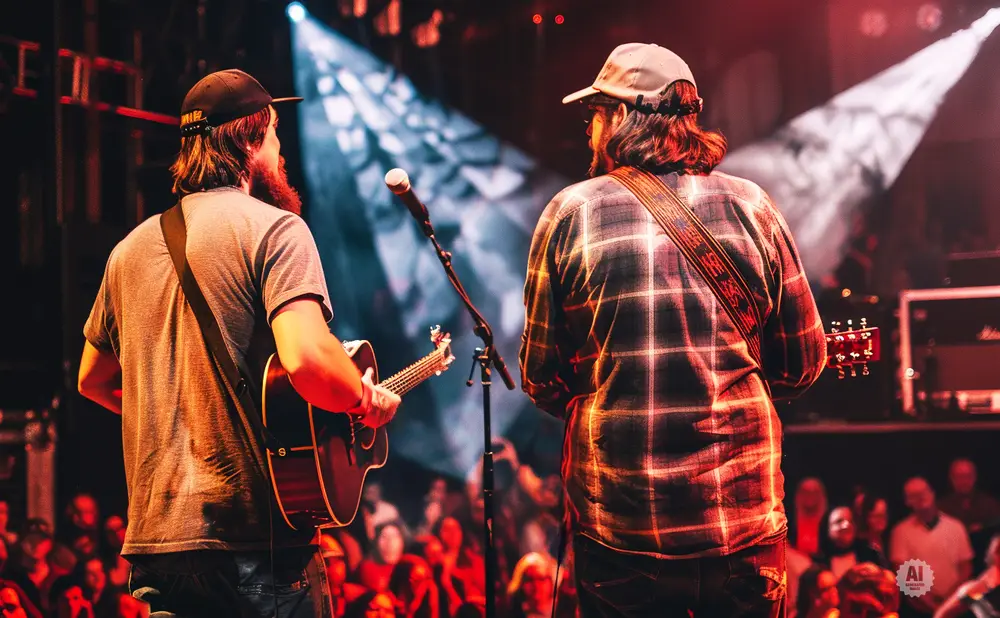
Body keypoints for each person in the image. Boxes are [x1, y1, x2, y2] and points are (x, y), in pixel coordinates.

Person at [76, 68, 401, 617]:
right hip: (255, 546)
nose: (279, 151)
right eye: (273, 135)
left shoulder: (126, 252)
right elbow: (307, 358)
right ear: (251, 141)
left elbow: (94, 380)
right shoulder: (275, 230)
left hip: (159, 550)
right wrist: (363, 398)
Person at [520, 43, 827, 617]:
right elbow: (803, 361)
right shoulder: (753, 207)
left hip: (622, 532)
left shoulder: (571, 213)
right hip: (742, 527)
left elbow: (540, 378)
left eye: (596, 115)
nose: (591, 129)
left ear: (619, 118)